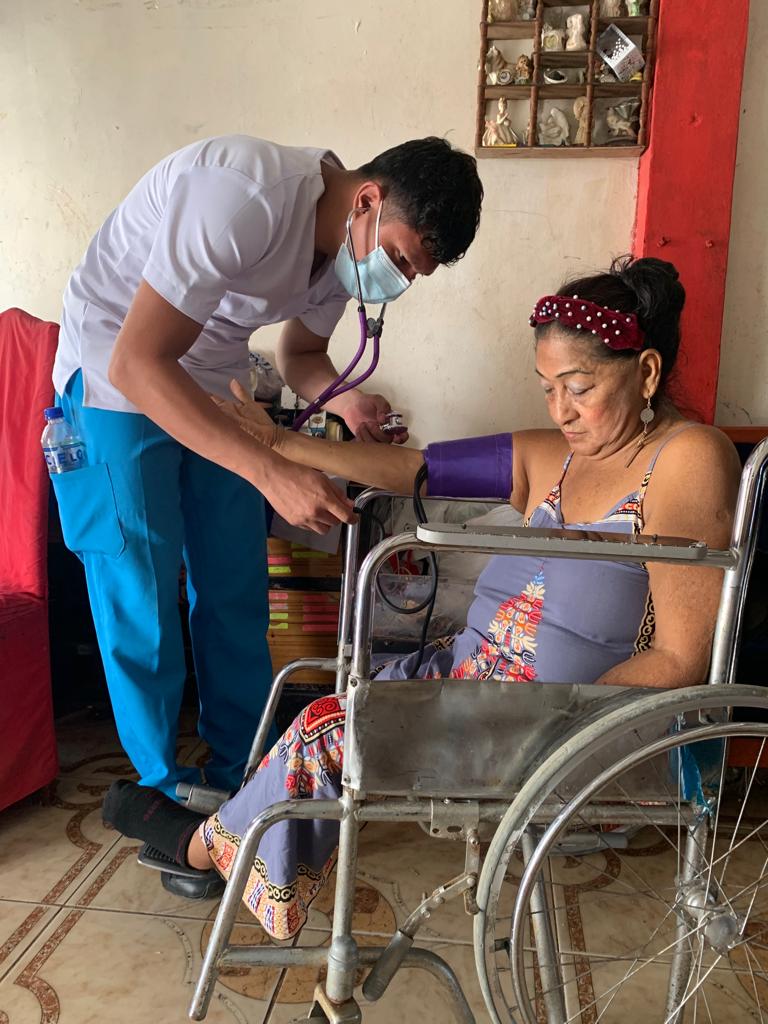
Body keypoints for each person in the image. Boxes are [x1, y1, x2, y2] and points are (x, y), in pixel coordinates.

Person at [103, 256, 741, 930]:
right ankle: (238, 826)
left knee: (329, 733)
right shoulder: (559, 455)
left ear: (646, 372)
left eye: (579, 387)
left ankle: (202, 849)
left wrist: (568, 729)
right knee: (337, 702)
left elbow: (681, 658)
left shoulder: (687, 459)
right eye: (548, 387)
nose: (561, 410)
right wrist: (280, 446)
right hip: (472, 681)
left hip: (550, 721)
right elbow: (419, 468)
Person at [51, 132, 484, 855]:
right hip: (115, 374)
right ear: (368, 200)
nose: (400, 280)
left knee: (235, 588)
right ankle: (163, 797)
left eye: (415, 272)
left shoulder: (344, 247)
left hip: (216, 382)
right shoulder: (242, 195)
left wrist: (346, 402)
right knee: (141, 592)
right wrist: (267, 469)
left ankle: (241, 772)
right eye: (402, 258)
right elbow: (139, 361)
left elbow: (301, 355)